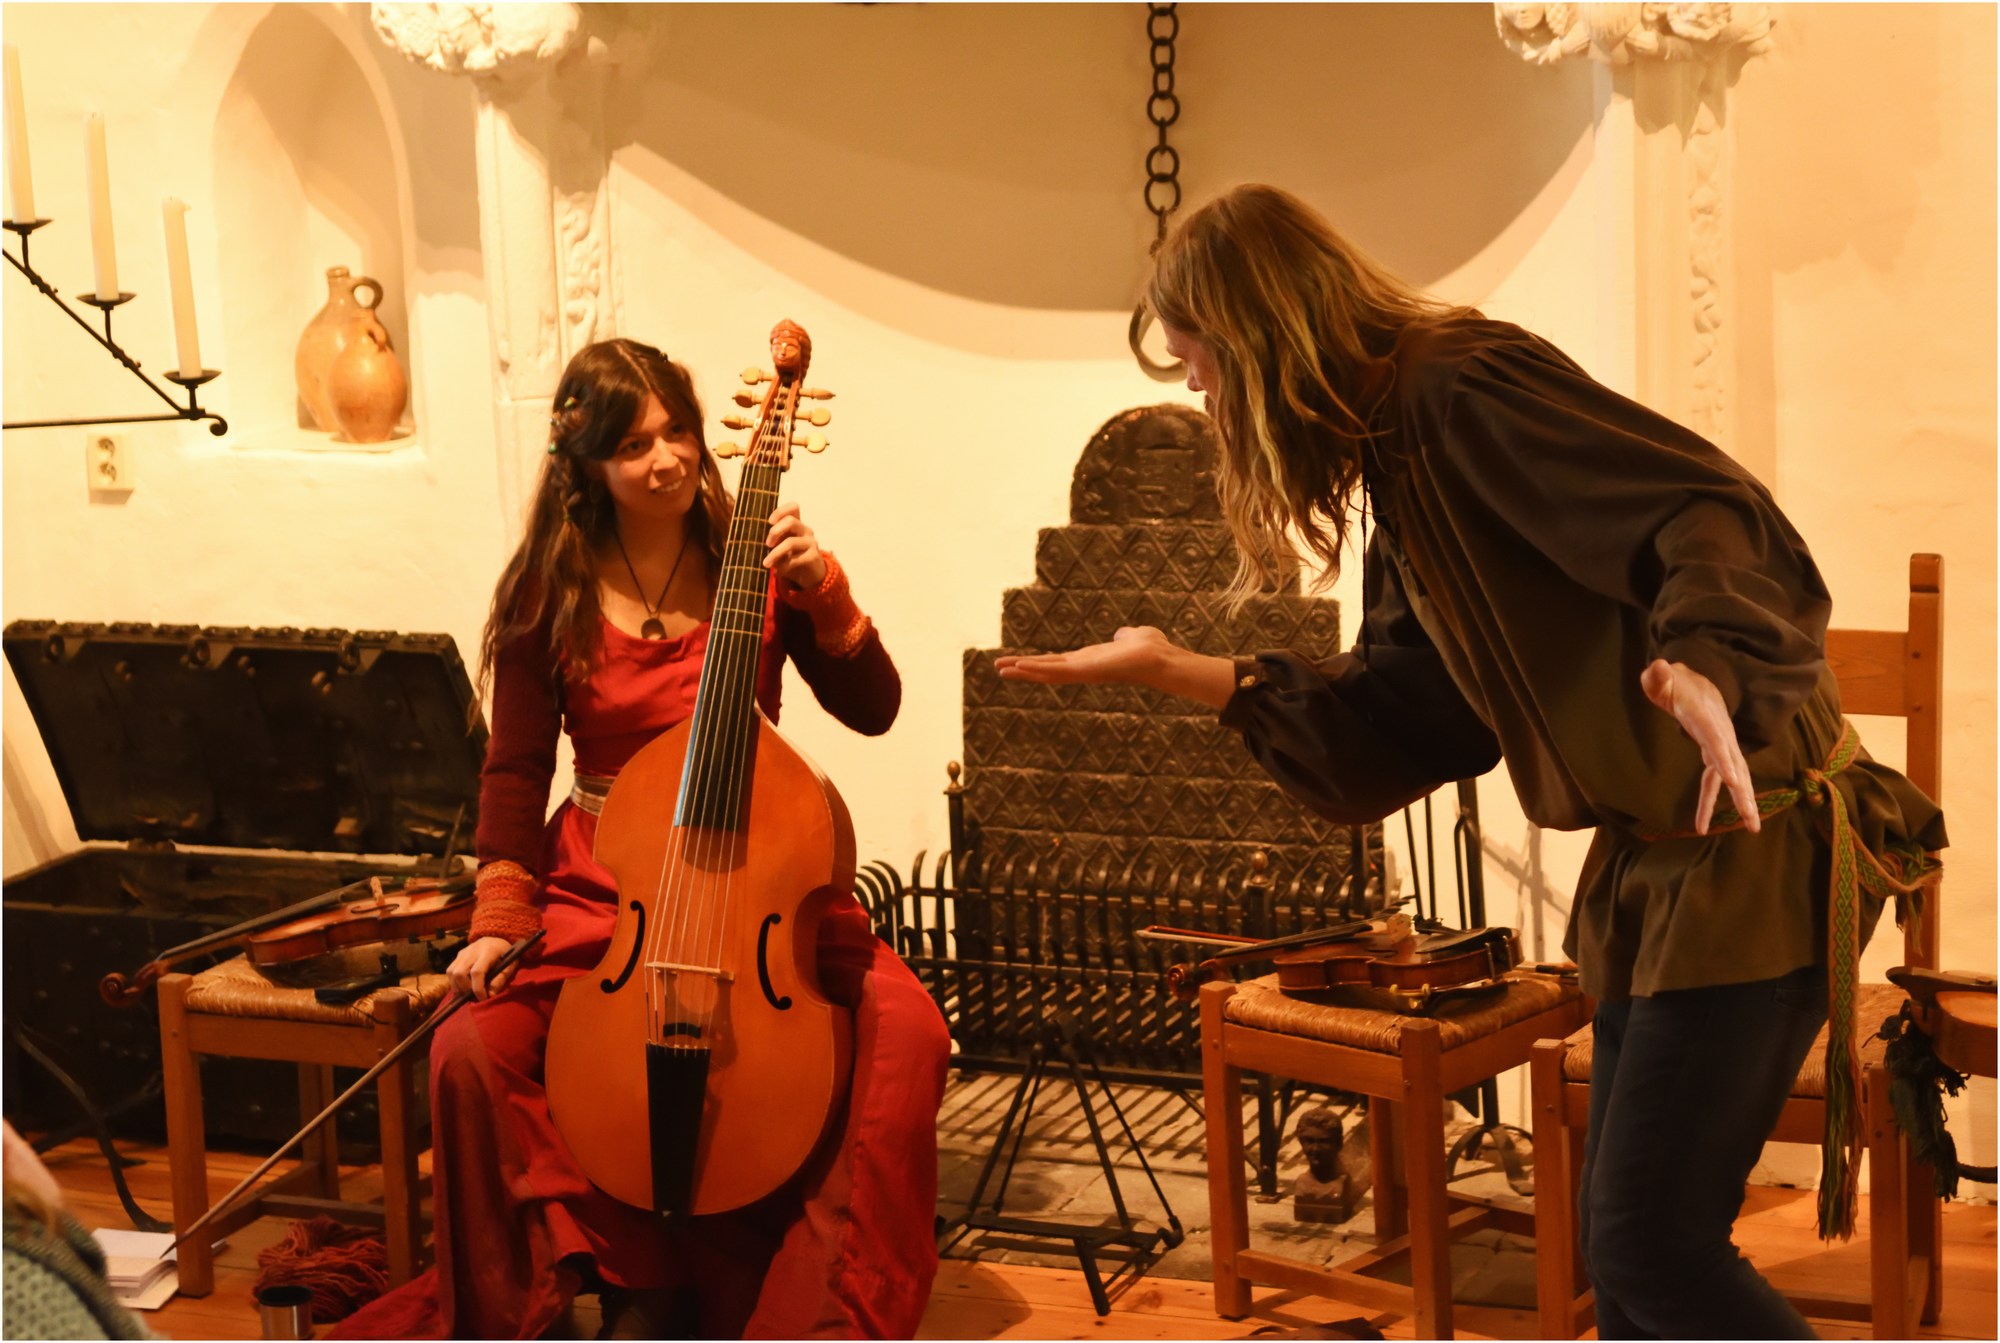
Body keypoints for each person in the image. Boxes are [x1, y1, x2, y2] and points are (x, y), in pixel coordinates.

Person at [996, 184, 1945, 1338]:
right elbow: (1408, 710)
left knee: (1648, 1243)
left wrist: (1708, 662)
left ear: (1254, 336)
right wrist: (1180, 668)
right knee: (1625, 1250)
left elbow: (1700, 510)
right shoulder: (1397, 453)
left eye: (1195, 359)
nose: (1196, 390)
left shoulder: (1459, 387)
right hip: (1659, 865)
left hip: (1750, 846)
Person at [336, 333, 950, 1341]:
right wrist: (498, 915)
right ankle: (602, 1278)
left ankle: (822, 1312)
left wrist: (825, 592)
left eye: (677, 432)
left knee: (909, 1030)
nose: (665, 460)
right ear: (587, 467)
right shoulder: (549, 590)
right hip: (606, 883)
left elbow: (874, 707)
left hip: (759, 879)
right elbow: (515, 770)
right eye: (632, 446)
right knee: (470, 1047)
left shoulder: (756, 561)